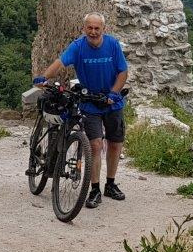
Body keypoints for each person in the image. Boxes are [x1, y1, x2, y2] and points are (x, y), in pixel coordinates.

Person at [34, 12, 128, 209]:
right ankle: (94, 189)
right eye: (89, 28)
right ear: (84, 28)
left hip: (112, 101)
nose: (93, 32)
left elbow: (122, 72)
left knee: (114, 143)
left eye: (97, 28)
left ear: (103, 29)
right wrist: (44, 77)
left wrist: (114, 93)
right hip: (89, 102)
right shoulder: (78, 46)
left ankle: (110, 184)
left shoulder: (112, 45)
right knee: (94, 145)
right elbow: (60, 63)